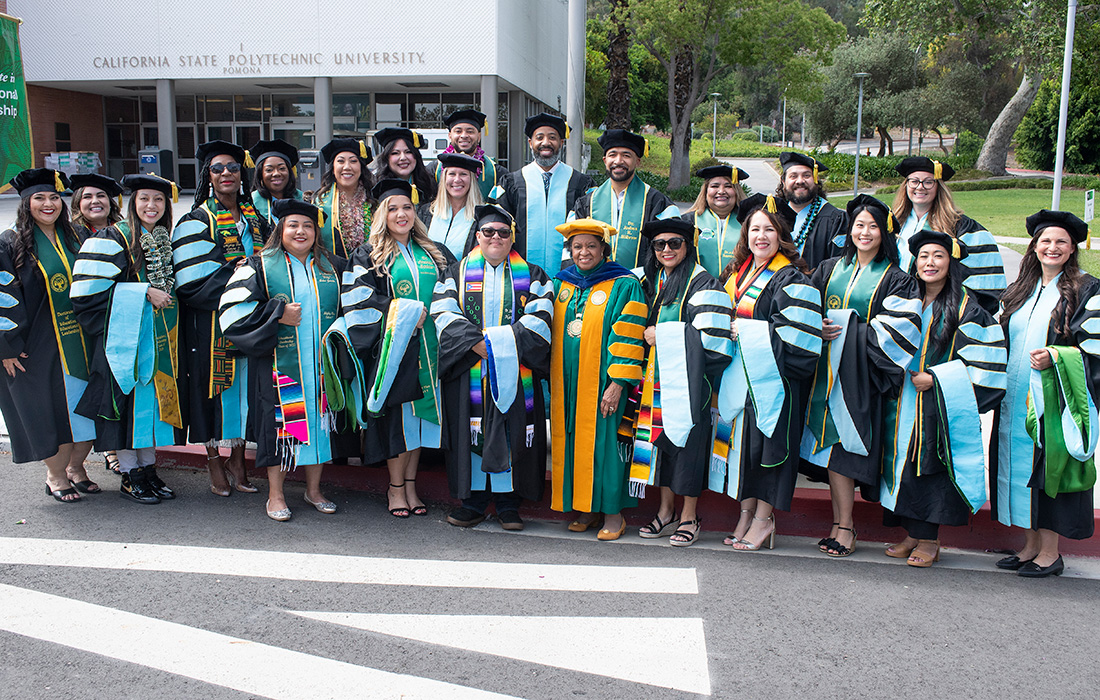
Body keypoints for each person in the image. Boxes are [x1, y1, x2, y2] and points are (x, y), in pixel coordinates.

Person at [220, 199, 358, 522]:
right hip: (279, 369)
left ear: (316, 232)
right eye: (293, 225)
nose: (300, 231)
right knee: (279, 429)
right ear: (281, 229)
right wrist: (277, 313)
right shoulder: (259, 266)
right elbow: (231, 314)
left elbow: (350, 309)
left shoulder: (332, 266)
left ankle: (314, 490)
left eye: (308, 226)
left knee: (319, 426)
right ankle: (276, 495)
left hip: (322, 368)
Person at [801, 194, 922, 558]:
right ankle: (842, 524)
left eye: (872, 226)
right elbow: (804, 306)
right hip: (822, 376)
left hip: (861, 378)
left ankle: (847, 527)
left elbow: (901, 331)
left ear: (883, 232)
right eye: (858, 225)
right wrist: (815, 325)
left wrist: (850, 329)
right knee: (833, 451)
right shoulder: (827, 268)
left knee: (847, 451)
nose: (864, 232)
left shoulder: (897, 279)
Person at [880, 230, 1007, 567]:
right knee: (903, 466)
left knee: (932, 469)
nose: (930, 262)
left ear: (951, 262)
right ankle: (911, 533)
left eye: (938, 255)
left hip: (940, 404)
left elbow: (985, 365)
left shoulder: (969, 309)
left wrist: (934, 379)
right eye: (923, 256)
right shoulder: (904, 300)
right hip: (903, 400)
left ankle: (930, 540)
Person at [431, 204, 554, 531]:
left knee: (514, 430)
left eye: (503, 232)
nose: (495, 237)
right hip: (471, 367)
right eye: (489, 232)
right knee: (473, 431)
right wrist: (477, 345)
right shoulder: (455, 273)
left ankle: (508, 503)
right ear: (477, 236)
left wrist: (500, 345)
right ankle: (473, 502)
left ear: (512, 237)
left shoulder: (534, 275)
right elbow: (443, 314)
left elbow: (541, 320)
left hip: (515, 368)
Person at [991, 209, 1099, 577]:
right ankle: (1030, 545)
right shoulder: (1021, 288)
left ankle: (1050, 553)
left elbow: (1094, 347)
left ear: (1072, 249)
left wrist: (1056, 355)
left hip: (1053, 400)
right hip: (1015, 397)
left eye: (1060, 242)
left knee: (1046, 471)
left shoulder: (1087, 288)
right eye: (1045, 241)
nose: (1051, 247)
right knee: (1019, 468)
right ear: (1034, 246)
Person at [713, 194, 823, 551]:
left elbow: (793, 332)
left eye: (769, 230)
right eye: (755, 229)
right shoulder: (738, 273)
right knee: (745, 448)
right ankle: (745, 513)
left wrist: (740, 330)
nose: (761, 236)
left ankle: (763, 519)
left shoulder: (791, 277)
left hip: (776, 380)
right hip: (739, 377)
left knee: (770, 448)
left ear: (781, 236)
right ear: (745, 235)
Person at [340, 179, 456, 518]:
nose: (401, 214)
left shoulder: (435, 251)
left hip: (432, 348)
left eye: (406, 207)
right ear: (381, 215)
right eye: (392, 208)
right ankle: (395, 489)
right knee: (398, 420)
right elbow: (359, 300)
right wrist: (404, 311)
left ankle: (411, 485)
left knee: (421, 419)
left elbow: (453, 288)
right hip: (395, 349)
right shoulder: (368, 255)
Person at [71, 174, 185, 504]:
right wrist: (143, 293)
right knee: (125, 410)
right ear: (132, 204)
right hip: (123, 346)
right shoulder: (110, 238)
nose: (152, 206)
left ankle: (148, 470)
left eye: (159, 200)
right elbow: (85, 297)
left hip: (158, 342)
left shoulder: (163, 239)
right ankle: (129, 475)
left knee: (148, 408)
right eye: (144, 199)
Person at [172, 139, 270, 497]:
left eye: (232, 167)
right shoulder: (195, 220)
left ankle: (238, 458)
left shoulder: (257, 219)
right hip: (209, 325)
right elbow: (193, 281)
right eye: (217, 168)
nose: (226, 173)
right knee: (211, 390)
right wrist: (243, 280)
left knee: (245, 391)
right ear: (207, 176)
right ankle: (214, 458)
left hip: (248, 322)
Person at [629, 218, 733, 546]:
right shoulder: (649, 278)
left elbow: (715, 340)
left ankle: (689, 516)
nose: (666, 250)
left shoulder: (704, 282)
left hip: (690, 383)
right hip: (653, 380)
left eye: (675, 243)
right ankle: (665, 511)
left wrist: (665, 336)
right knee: (660, 444)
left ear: (687, 246)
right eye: (659, 244)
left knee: (687, 448)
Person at [0, 169, 96, 502]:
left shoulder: (76, 237)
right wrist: (7, 347)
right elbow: (2, 297)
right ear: (26, 204)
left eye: (54, 197)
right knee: (49, 412)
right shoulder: (9, 242)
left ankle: (75, 467)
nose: (48, 204)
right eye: (39, 198)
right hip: (37, 346)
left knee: (83, 412)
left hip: (81, 342)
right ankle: (55, 475)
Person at [548, 218, 647, 541]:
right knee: (573, 440)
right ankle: (586, 507)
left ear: (604, 249)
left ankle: (613, 514)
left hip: (603, 384)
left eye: (591, 246)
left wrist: (618, 383)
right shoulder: (562, 284)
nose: (584, 252)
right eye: (577, 246)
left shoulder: (623, 284)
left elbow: (631, 337)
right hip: (568, 384)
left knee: (604, 445)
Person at [892, 156, 1006, 313]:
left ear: (938, 187)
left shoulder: (962, 228)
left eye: (928, 182)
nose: (920, 187)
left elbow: (982, 286)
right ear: (906, 186)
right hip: (892, 308)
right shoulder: (893, 224)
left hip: (937, 313)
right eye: (914, 181)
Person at [68, 172, 124, 475]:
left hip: (114, 322)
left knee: (111, 387)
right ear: (78, 202)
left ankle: (113, 448)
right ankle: (77, 462)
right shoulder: (70, 234)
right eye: (87, 196)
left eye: (101, 196)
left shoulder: (124, 232)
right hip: (79, 323)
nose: (95, 201)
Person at [492, 113, 595, 276]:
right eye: (539, 137)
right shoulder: (511, 183)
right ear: (530, 143)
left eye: (552, 137)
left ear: (561, 143)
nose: (546, 143)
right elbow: (495, 225)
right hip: (520, 275)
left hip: (571, 276)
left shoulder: (581, 183)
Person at [570, 129, 680, 269]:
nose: (618, 161)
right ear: (605, 160)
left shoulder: (658, 203)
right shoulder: (586, 203)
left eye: (626, 155)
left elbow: (670, 251)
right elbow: (571, 249)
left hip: (642, 286)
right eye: (612, 155)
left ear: (637, 161)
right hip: (595, 286)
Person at [774, 152, 846, 269]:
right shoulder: (774, 215)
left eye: (806, 175)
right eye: (793, 176)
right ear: (783, 182)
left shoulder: (835, 220)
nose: (800, 181)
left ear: (815, 179)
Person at [313, 138, 374, 259]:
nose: (347, 167)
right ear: (333, 168)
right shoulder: (319, 203)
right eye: (341, 161)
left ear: (361, 167)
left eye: (353, 161)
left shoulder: (374, 200)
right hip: (331, 270)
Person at [683, 164, 748, 277]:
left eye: (728, 186)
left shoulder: (748, 222)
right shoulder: (689, 222)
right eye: (715, 186)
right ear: (706, 191)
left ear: (736, 191)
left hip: (738, 290)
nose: (721, 191)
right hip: (697, 290)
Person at [418, 152, 482, 258]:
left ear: (471, 180)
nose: (457, 180)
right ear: (444, 178)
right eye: (452, 174)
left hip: (461, 273)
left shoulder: (480, 217)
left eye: (463, 174)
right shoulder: (426, 212)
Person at [434, 109, 497, 200]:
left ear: (479, 137)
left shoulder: (495, 171)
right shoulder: (434, 170)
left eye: (470, 131)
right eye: (458, 131)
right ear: (450, 136)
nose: (464, 136)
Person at [371, 127, 437, 202]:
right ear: (386, 158)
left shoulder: (430, 184)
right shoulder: (375, 186)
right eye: (395, 153)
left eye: (408, 152)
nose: (403, 158)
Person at [249, 139, 303, 224]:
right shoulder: (250, 204)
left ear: (289, 172)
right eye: (269, 170)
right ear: (260, 175)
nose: (276, 174)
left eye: (282, 168)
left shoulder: (303, 200)